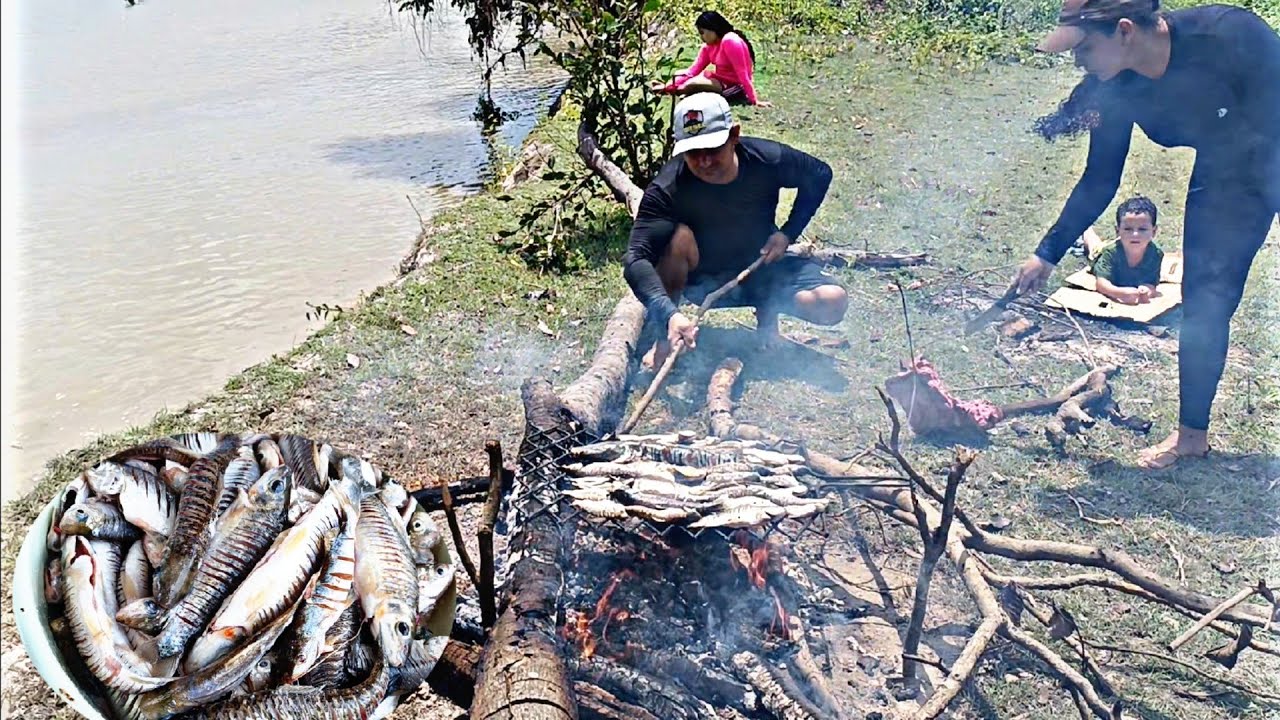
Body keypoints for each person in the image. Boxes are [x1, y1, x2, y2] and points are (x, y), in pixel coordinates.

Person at [1010, 0, 1279, 469]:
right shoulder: (1119, 86)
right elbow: (1100, 178)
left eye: (1085, 47)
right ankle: (1191, 437)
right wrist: (1047, 253)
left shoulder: (1229, 34)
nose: (1077, 60)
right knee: (1204, 303)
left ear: (1126, 31)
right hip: (1226, 176)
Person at [622, 92, 849, 369]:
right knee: (678, 238)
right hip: (703, 280)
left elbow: (819, 173)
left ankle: (768, 312)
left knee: (832, 302)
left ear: (734, 135)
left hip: (761, 267)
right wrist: (668, 313)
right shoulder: (669, 187)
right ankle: (664, 337)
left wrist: (788, 233)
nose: (704, 162)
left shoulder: (765, 160)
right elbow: (636, 257)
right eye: (694, 152)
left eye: (713, 149)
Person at [649, 11, 770, 107]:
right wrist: (669, 84)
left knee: (693, 84)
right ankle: (668, 89)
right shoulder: (708, 47)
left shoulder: (730, 40)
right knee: (692, 81)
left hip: (735, 85)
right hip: (719, 80)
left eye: (702, 32)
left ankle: (678, 91)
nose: (701, 37)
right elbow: (692, 72)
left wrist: (754, 100)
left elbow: (742, 73)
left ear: (713, 28)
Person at [1081, 195, 1165, 305]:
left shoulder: (1155, 254)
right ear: (1118, 230)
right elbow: (1101, 283)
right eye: (1128, 229)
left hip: (1120, 244)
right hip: (1101, 251)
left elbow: (1151, 282)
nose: (1135, 234)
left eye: (1142, 229)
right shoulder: (1110, 253)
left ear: (1153, 232)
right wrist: (1119, 293)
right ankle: (1085, 228)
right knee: (1094, 245)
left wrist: (1146, 290)